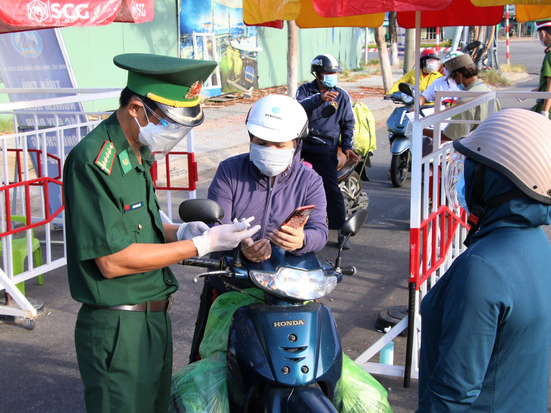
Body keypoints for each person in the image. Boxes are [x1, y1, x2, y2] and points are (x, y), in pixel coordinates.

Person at [63, 53, 261, 413]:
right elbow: (112, 259)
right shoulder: (93, 161)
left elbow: (142, 228)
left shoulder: (138, 152)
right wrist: (198, 244)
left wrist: (181, 230)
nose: (176, 133)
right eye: (170, 122)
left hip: (154, 320)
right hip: (118, 326)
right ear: (137, 107)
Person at [418, 108, 551, 411]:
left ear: (497, 182)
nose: (464, 178)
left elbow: (453, 392)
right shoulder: (534, 244)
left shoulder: (483, 268)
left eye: (472, 169)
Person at [189, 94, 329, 363]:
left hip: (288, 292)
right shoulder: (230, 171)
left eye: (279, 144)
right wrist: (241, 246)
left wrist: (300, 240)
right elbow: (215, 223)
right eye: (261, 143)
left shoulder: (310, 181)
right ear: (250, 138)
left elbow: (320, 232)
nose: (270, 149)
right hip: (231, 282)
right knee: (211, 363)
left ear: (296, 144)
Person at [295, 54, 358, 247]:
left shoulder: (342, 96)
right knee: (290, 183)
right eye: (327, 73)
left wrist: (347, 146)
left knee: (330, 188)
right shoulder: (305, 90)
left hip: (325, 147)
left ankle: (341, 229)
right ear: (317, 74)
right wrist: (319, 99)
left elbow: (348, 123)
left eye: (334, 73)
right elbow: (296, 109)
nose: (332, 76)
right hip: (302, 144)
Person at [437, 53, 501, 141]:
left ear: (459, 75)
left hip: (474, 146)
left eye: (453, 78)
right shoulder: (489, 91)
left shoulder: (466, 99)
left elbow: (451, 135)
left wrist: (420, 130)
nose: (455, 82)